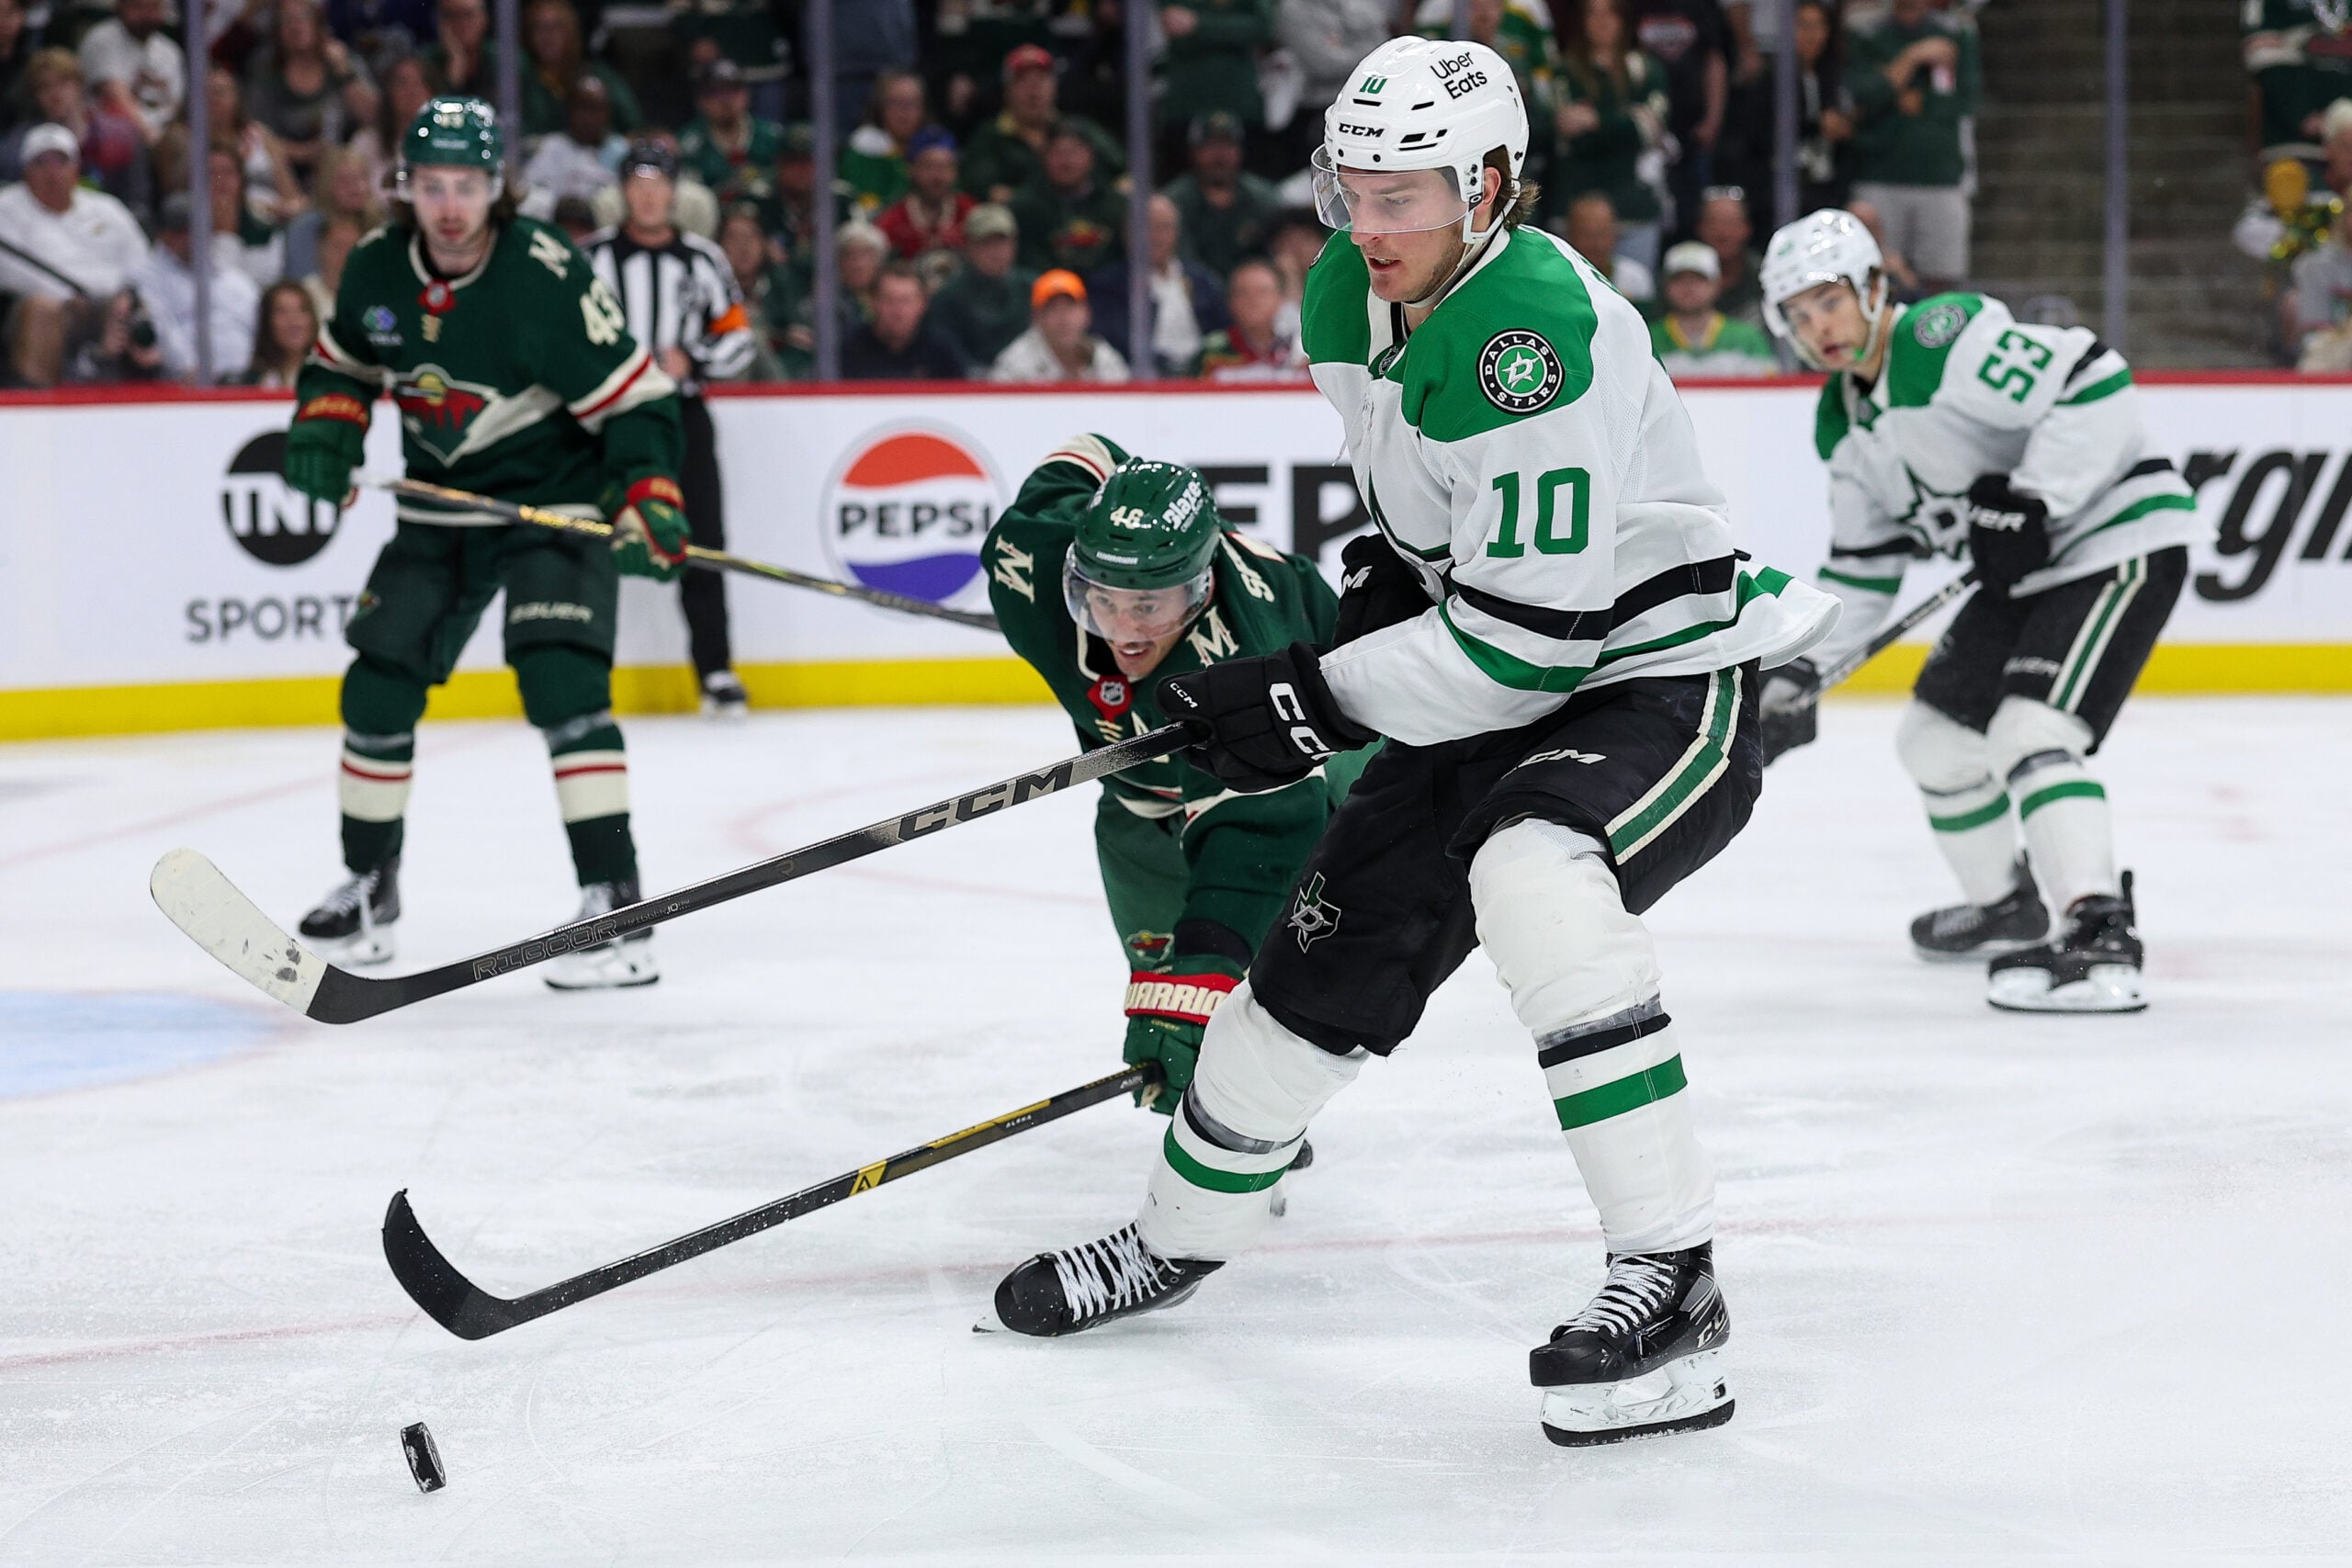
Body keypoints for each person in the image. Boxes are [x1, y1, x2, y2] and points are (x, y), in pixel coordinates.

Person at [985, 36, 1837, 1453]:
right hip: (1487, 665)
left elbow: (1530, 643)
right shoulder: (1343, 291)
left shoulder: (1531, 340)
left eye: (1406, 197)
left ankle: (1674, 1279)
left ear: (1491, 184)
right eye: (1352, 191)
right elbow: (1426, 508)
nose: (1368, 227)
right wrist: (1383, 577)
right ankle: (1175, 1236)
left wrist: (1309, 696)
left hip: (1646, 673)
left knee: (1537, 871)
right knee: (1307, 970)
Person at [1755, 209, 2207, 1011]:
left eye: (1829, 301)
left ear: (1873, 288)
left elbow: (2093, 379)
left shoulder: (1938, 339)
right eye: (1798, 314)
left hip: (2115, 541)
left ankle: (2099, 929)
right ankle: (2010, 904)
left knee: (2030, 731)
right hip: (2024, 574)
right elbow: (1864, 567)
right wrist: (1801, 669)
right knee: (1933, 743)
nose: (1817, 326)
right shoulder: (1844, 421)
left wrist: (2033, 498)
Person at [281, 97, 688, 987]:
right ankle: (369, 887)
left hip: (554, 504)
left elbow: (638, 397)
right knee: (377, 686)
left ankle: (618, 913)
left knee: (563, 684)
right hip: (439, 513)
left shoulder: (545, 271)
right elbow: (343, 363)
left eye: (467, 185)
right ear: (407, 188)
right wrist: (326, 428)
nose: (452, 205)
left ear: (497, 188)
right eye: (433, 186)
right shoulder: (376, 267)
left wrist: (647, 491)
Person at [981, 438, 1364, 1132]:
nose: (1123, 631)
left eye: (1149, 607)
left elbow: (1267, 829)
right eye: (1102, 600)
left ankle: (1257, 1112)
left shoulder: (1244, 659)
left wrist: (1207, 970)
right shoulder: (1025, 566)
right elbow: (1085, 452)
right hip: (1138, 806)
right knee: (1161, 973)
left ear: (1199, 588)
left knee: (1253, 975)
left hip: (1308, 772)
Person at [583, 139, 756, 717]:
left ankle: (716, 670)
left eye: (659, 184)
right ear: (623, 192)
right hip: (607, 419)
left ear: (674, 193)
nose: (649, 195)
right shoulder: (592, 259)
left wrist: (695, 359)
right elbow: (565, 337)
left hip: (682, 416)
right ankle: (586, 669)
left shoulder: (702, 259)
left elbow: (738, 335)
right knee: (590, 539)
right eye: (638, 183)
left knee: (701, 540)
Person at [1844, 0, 1979, 294]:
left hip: (1939, 173)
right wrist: (1910, 59)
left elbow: (1966, 100)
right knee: (1874, 271)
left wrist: (1906, 97)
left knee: (1942, 277)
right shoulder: (1866, 33)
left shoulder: (1957, 32)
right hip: (1880, 171)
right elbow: (1861, 95)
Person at [0, 123, 149, 387]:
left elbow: (141, 263)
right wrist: (69, 298)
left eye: (61, 161)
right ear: (25, 171)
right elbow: (9, 271)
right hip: (47, 307)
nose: (52, 171)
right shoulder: (7, 207)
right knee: (41, 310)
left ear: (76, 169)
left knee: (150, 309)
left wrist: (128, 296)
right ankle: (36, 413)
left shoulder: (107, 209)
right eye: (40, 163)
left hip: (110, 303)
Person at [1550, 0, 1674, 273]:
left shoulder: (1646, 69)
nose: (1602, 22)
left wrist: (1594, 120)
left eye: (1610, 13)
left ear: (1623, 20)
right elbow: (1573, 139)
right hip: (1577, 210)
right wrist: (1629, 120)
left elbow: (1651, 131)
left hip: (1634, 209)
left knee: (1635, 296)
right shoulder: (1565, 70)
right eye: (1592, 13)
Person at [1086, 192, 1229, 376]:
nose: (1155, 236)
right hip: (1141, 382)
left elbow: (1222, 333)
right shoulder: (1107, 286)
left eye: (1164, 227)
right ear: (1127, 233)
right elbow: (1111, 343)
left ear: (1176, 234)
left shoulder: (1202, 280)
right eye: (1146, 227)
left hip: (1201, 378)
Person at [961, 43, 1123, 205]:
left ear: (1055, 88)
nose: (1033, 91)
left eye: (1041, 80)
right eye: (1023, 81)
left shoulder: (1079, 129)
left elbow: (1124, 171)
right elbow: (977, 188)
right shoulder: (990, 136)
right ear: (1007, 90)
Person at [130, 189, 262, 379]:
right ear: (164, 235)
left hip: (245, 383)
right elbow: (159, 337)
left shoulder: (235, 280)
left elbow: (260, 330)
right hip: (185, 386)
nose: (191, 238)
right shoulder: (145, 278)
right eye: (181, 231)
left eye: (197, 229)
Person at [243, 0, 378, 184]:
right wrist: (305, 152)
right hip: (284, 175)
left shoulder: (345, 63)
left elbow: (375, 118)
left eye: (303, 17)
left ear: (319, 23)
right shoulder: (265, 70)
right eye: (287, 19)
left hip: (347, 171)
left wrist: (344, 72)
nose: (295, 25)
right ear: (276, 29)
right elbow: (256, 135)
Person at [1630, 0, 1729, 235]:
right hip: (1651, 130)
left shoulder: (1701, 6)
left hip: (1693, 128)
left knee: (1695, 213)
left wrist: (1712, 120)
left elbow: (1714, 61)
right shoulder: (1638, 7)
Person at [1160, 111, 1282, 284]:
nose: (1219, 156)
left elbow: (1275, 259)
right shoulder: (1174, 202)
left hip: (1253, 295)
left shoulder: (1264, 199)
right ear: (1194, 152)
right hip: (1194, 295)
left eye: (1228, 146)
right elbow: (1181, 262)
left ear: (1240, 151)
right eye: (1210, 147)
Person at [1011, 119, 1127, 276]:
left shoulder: (1117, 206)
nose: (1066, 162)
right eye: (1058, 153)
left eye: (1074, 152)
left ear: (1090, 155)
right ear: (1043, 157)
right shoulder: (1024, 208)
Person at [927, 201, 1035, 368]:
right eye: (986, 243)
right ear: (968, 247)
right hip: (968, 389)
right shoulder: (947, 299)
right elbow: (948, 356)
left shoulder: (1033, 289)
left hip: (1027, 382)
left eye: (1002, 241)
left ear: (1014, 244)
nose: (996, 251)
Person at [1647, 240, 1775, 377]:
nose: (1688, 287)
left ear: (1717, 284)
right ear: (1666, 286)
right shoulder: (1647, 339)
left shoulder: (1747, 338)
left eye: (1699, 279)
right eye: (1679, 278)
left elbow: (1768, 391)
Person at [519, 0, 640, 141]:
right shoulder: (522, 78)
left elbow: (633, 127)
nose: (547, 36)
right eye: (538, 28)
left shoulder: (597, 74)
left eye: (556, 27)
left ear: (571, 31)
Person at [990, 267, 1129, 381]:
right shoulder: (1016, 363)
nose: (1063, 318)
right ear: (1036, 318)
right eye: (1052, 309)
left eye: (1070, 307)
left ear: (1086, 313)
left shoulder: (1103, 357)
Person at [678, 59, 783, 207]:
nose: (726, 100)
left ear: (747, 94)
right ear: (701, 100)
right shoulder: (688, 145)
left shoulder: (772, 136)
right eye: (715, 92)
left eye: (734, 90)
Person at [841, 257, 968, 378]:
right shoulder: (849, 349)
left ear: (922, 304)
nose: (898, 310)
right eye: (889, 300)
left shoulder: (942, 350)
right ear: (872, 302)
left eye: (906, 300)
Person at [77, 0, 183, 145]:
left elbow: (176, 104)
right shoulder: (103, 39)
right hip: (117, 136)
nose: (147, 15)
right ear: (121, 7)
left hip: (164, 134)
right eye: (139, 7)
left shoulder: (169, 50)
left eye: (154, 7)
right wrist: (154, 140)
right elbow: (115, 97)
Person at [519, 74, 626, 218]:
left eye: (595, 108)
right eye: (582, 107)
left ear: (607, 112)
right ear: (569, 110)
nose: (588, 117)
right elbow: (527, 197)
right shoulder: (551, 147)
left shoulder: (621, 151)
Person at [1193, 255, 1305, 380]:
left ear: (1280, 298)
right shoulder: (1211, 355)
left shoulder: (1302, 353)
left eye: (1262, 292)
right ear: (1230, 301)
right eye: (1243, 292)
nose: (1253, 300)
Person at [874, 127, 974, 258]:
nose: (937, 176)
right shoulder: (892, 221)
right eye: (928, 166)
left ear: (955, 172)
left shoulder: (970, 213)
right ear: (911, 170)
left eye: (945, 167)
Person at [840, 68, 925, 215]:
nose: (905, 111)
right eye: (896, 102)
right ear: (880, 106)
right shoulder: (865, 147)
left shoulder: (933, 146)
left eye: (912, 103)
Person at [1562, 190, 1655, 305]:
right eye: (1589, 236)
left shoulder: (1636, 279)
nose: (1598, 245)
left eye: (1605, 234)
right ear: (1570, 235)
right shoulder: (1556, 279)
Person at [1692, 185, 1762, 323]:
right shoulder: (1680, 274)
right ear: (1700, 228)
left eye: (1730, 223)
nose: (1722, 233)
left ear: (1746, 229)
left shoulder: (1763, 275)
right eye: (1714, 223)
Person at [237, 276, 320, 387]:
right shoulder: (251, 382)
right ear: (267, 321)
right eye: (282, 312)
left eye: (301, 310)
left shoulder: (334, 376)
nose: (294, 322)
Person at [423, 0, 495, 97]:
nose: (461, 23)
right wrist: (455, 63)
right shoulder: (425, 64)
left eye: (468, 14)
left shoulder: (508, 62)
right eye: (451, 15)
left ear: (484, 18)